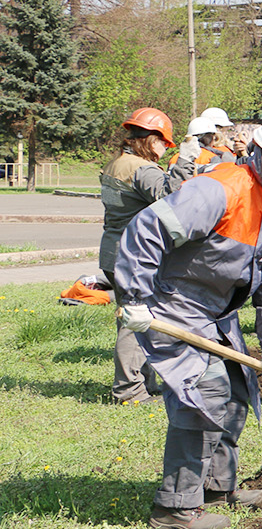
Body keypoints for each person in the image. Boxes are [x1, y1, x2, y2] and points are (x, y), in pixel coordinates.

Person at [115, 112, 262, 529]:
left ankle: (215, 486)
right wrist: (136, 299)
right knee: (203, 396)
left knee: (234, 392)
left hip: (218, 312)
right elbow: (146, 230)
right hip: (176, 302)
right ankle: (174, 507)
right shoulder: (219, 188)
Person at [100, 108, 193, 405]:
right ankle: (129, 391)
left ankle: (143, 382)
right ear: (151, 140)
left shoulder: (116, 164)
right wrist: (186, 161)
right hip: (135, 254)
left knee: (136, 319)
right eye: (164, 143)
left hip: (114, 251)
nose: (166, 149)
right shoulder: (143, 169)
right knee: (134, 322)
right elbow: (173, 197)